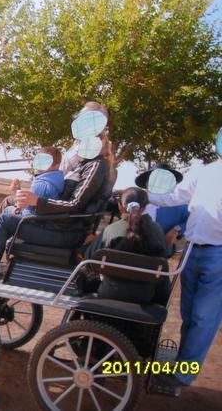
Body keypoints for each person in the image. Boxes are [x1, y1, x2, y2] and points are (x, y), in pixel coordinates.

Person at [0, 135, 111, 288]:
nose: (77, 144)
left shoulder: (95, 165)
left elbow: (75, 204)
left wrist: (36, 201)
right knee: (9, 207)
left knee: (5, 219)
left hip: (65, 231)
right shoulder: (83, 165)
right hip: (60, 225)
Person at [150, 127, 222, 390]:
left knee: (205, 316)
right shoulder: (204, 171)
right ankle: (182, 363)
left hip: (219, 254)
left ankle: (183, 375)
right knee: (188, 314)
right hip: (192, 250)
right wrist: (140, 195)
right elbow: (174, 196)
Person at [0, 147, 65, 255]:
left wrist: (17, 209)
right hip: (41, 219)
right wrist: (18, 194)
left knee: (7, 212)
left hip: (34, 222)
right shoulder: (55, 178)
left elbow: (28, 212)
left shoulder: (42, 183)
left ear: (56, 166)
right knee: (8, 202)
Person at [84, 187, 171, 304]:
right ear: (145, 207)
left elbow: (89, 261)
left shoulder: (111, 230)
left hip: (108, 294)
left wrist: (90, 242)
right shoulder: (158, 231)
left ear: (120, 206)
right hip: (145, 299)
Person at [135, 164, 190, 255]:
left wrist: (177, 229)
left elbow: (192, 220)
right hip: (130, 249)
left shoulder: (179, 205)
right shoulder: (136, 199)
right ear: (147, 182)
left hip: (158, 253)